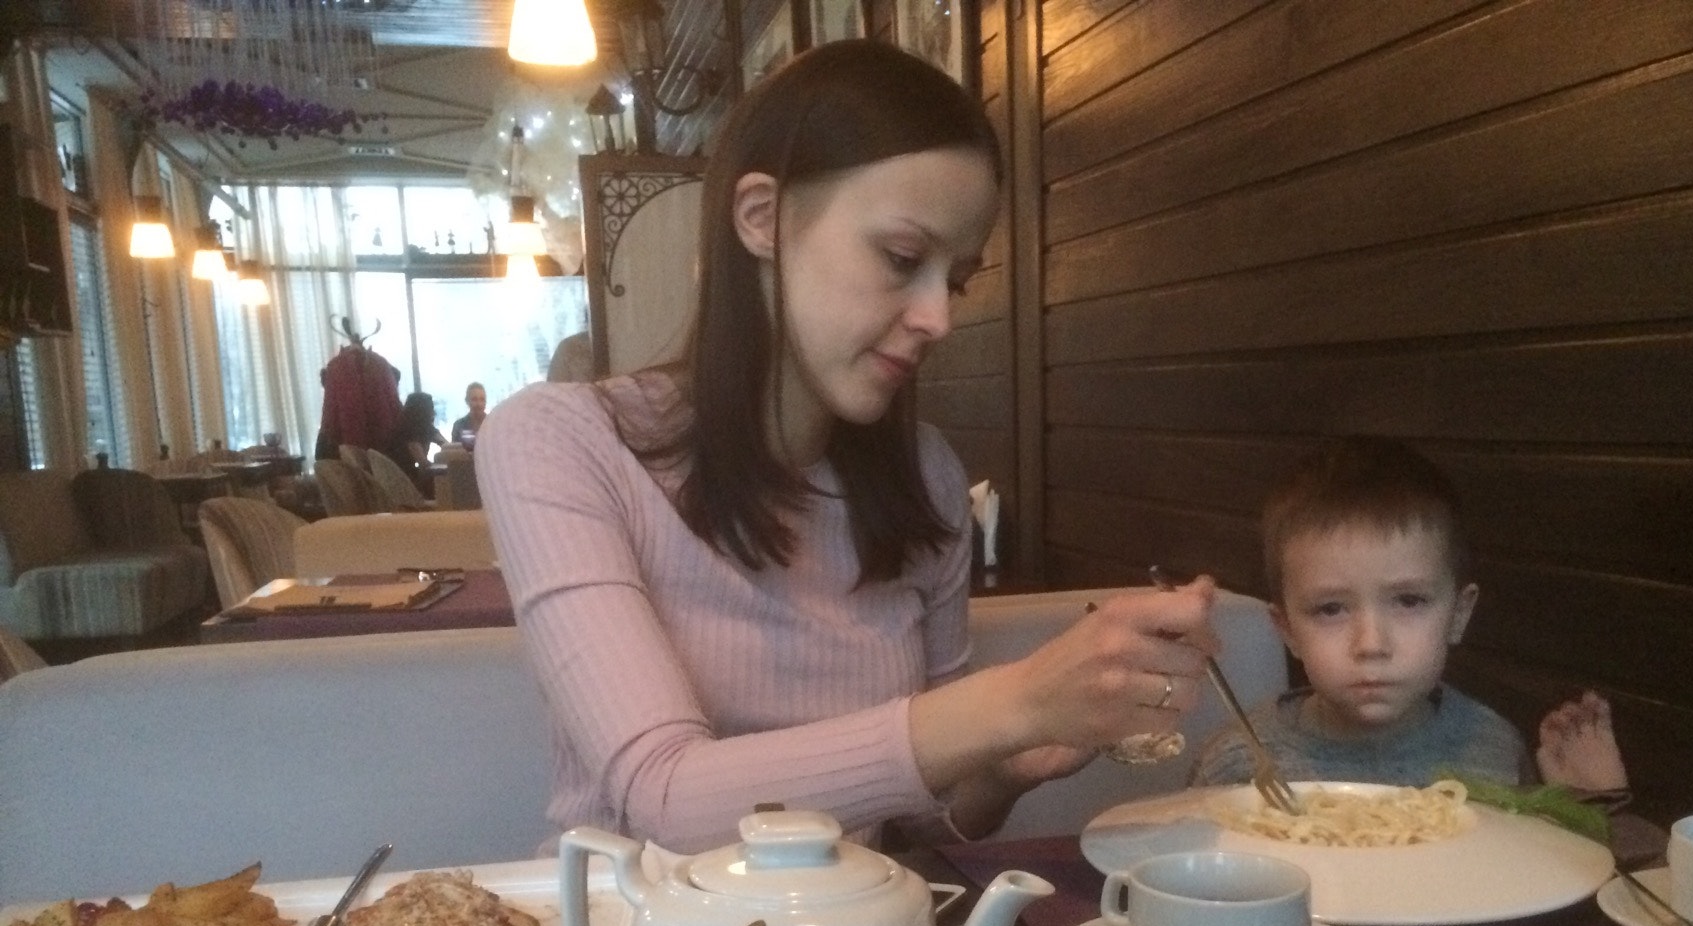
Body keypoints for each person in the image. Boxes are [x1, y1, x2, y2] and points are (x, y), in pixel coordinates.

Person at [479, 41, 1217, 854]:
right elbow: (668, 798)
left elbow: (917, 820)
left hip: (856, 924)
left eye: (956, 279)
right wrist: (1015, 702)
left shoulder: (927, 478)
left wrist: (1004, 769)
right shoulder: (559, 442)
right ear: (761, 218)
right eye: (903, 259)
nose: (939, 317)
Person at [1191, 438, 1628, 792]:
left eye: (1409, 601)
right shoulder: (1238, 763)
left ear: (1458, 614)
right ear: (1287, 630)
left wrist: (1593, 805)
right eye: (1331, 609)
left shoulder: (1494, 752)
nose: (1371, 645)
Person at [390, 391, 447, 495]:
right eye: (431, 408)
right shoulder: (407, 430)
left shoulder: (425, 428)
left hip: (405, 477)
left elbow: (448, 446)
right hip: (401, 480)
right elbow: (423, 463)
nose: (434, 412)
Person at [450, 383, 487, 449]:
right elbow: (454, 452)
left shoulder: (493, 424)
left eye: (482, 399)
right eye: (474, 399)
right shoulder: (459, 426)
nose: (479, 404)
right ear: (467, 401)